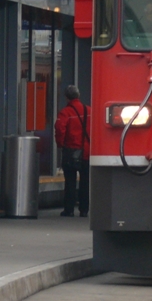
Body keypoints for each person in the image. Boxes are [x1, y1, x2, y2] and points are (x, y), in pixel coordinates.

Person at [54, 85, 90, 217]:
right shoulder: (89, 110)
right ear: (79, 95)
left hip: (71, 151)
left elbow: (59, 129)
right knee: (85, 182)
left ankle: (69, 209)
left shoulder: (65, 112)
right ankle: (84, 209)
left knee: (70, 181)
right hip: (87, 152)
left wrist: (60, 144)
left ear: (66, 97)